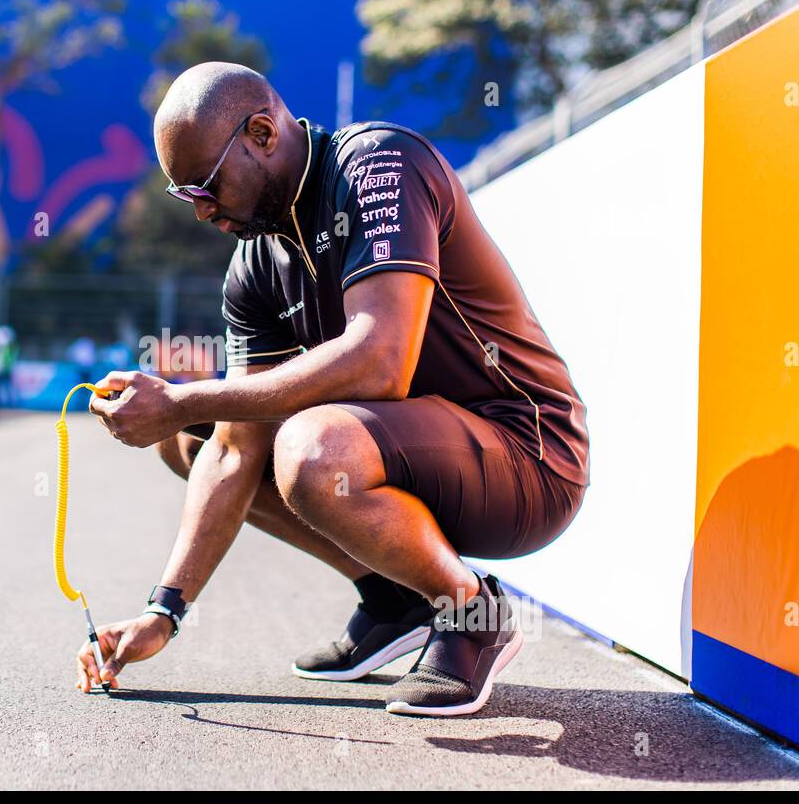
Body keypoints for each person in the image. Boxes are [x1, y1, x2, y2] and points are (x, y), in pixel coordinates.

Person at [77, 63, 590, 717]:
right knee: (192, 440)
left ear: (262, 132)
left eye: (207, 186)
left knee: (311, 449)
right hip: (424, 454)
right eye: (187, 196)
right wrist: (163, 613)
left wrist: (185, 395)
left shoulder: (378, 167)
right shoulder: (254, 265)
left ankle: (469, 613)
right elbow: (235, 451)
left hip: (530, 456)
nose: (202, 210)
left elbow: (381, 364)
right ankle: (397, 597)